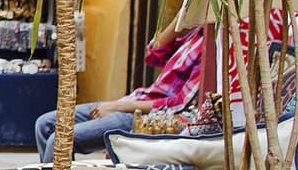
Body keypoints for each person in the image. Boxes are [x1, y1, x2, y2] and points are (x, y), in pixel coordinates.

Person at [34, 18, 203, 161]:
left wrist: (116, 107)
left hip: (146, 114)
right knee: (44, 124)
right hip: (134, 100)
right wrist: (180, 19)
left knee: (59, 139)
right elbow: (154, 54)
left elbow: (178, 103)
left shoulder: (212, 46)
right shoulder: (197, 34)